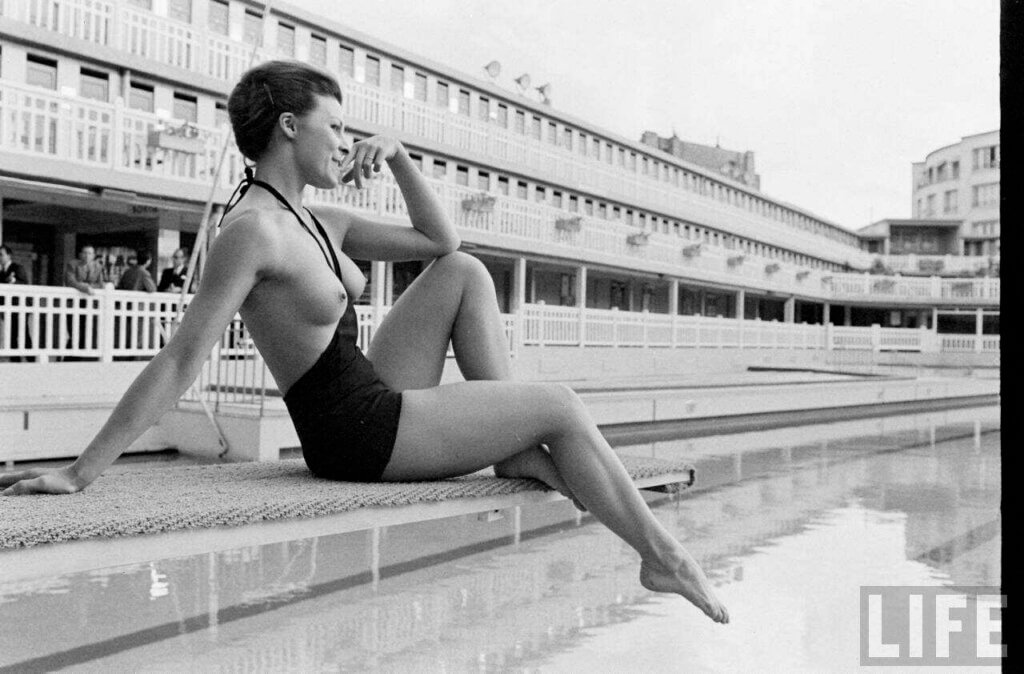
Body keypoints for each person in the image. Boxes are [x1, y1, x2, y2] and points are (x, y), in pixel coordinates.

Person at [0, 61, 727, 623]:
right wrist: (81, 470)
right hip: (352, 433)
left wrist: (400, 156)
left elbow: (441, 241)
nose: (344, 143)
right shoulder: (251, 232)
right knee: (561, 406)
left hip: (370, 390)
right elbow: (182, 357)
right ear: (290, 127)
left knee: (464, 272)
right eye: (335, 128)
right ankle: (659, 555)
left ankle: (512, 440)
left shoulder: (319, 219)